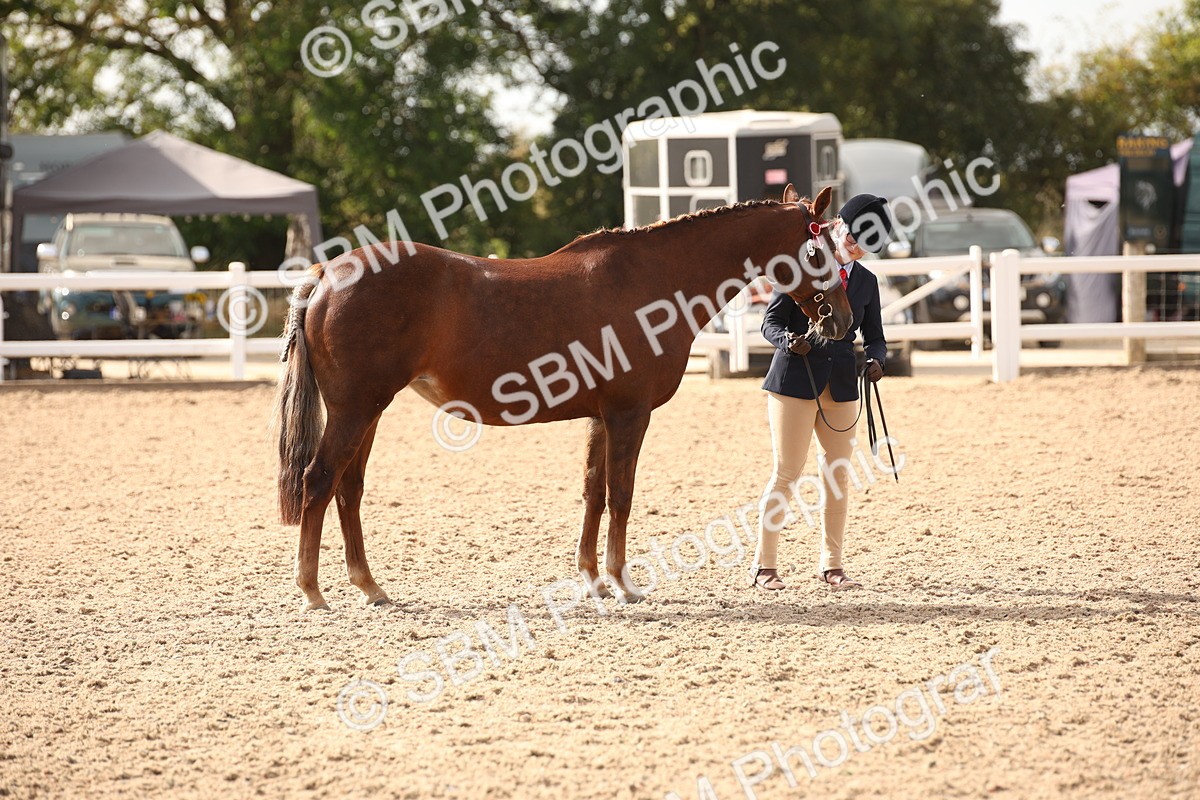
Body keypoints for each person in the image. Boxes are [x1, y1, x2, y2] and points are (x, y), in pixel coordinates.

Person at [752, 193, 892, 591]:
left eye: (866, 245)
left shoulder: (866, 282)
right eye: (853, 239)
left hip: (843, 385)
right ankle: (765, 566)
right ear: (838, 226)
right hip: (794, 381)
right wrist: (787, 340)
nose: (857, 249)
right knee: (787, 473)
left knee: (837, 476)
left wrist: (877, 361)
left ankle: (832, 565)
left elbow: (876, 336)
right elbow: (771, 321)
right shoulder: (806, 264)